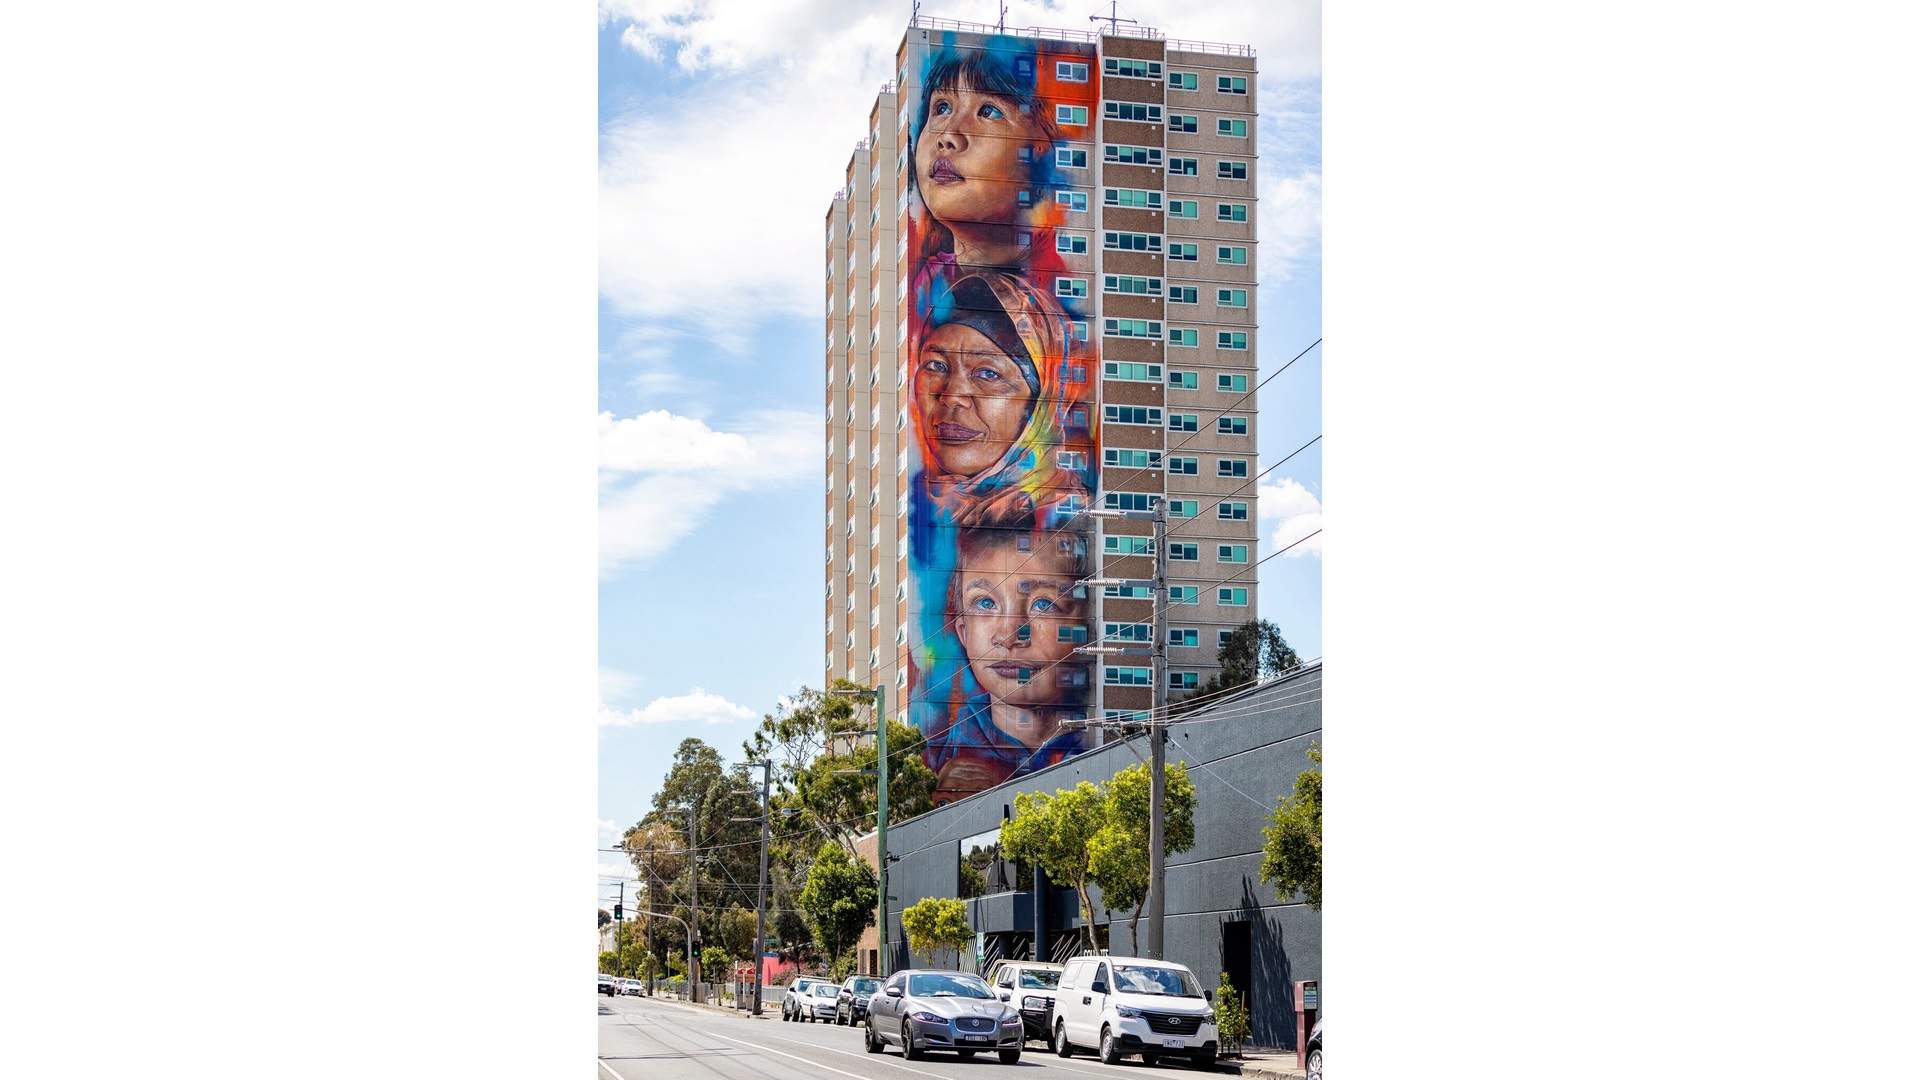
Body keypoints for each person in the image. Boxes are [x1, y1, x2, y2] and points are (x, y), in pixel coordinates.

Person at [924, 516, 1092, 798]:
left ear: (1082, 628)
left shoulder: (1105, 742)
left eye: (1044, 604)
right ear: (963, 632)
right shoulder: (933, 761)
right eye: (985, 602)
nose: (1010, 634)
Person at [912, 271, 1091, 527]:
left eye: (988, 373)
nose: (951, 397)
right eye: (936, 366)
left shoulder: (1066, 523)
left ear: (1041, 404)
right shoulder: (919, 509)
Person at [911, 44, 1064, 270]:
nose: (948, 135)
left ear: (1039, 150)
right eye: (942, 108)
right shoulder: (926, 283)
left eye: (989, 111)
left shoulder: (1039, 297)